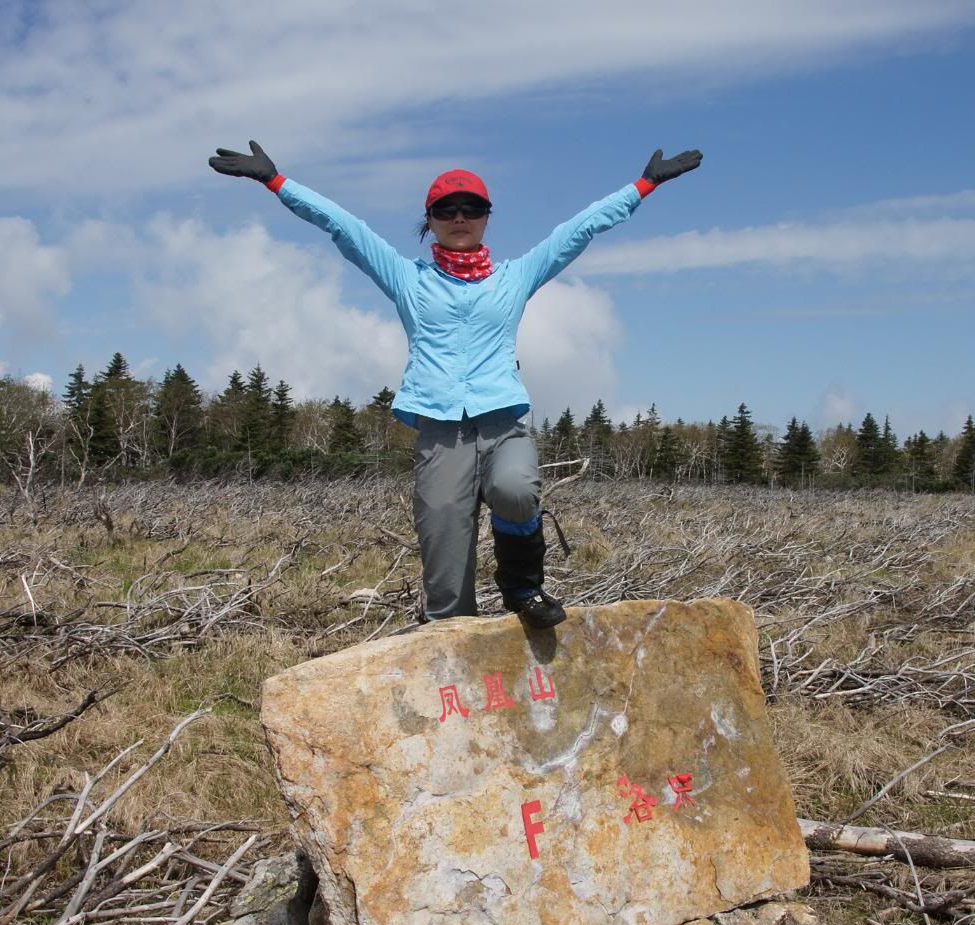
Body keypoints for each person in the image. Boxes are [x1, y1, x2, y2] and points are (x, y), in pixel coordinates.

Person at [210, 141, 701, 626]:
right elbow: (344, 226)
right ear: (430, 219)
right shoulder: (408, 279)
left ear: (487, 217)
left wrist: (644, 185)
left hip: (502, 423)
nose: (460, 217)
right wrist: (276, 181)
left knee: (514, 488)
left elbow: (579, 229)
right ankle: (450, 633)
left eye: (472, 208)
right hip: (441, 429)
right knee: (444, 547)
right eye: (446, 209)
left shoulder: (514, 278)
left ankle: (523, 588)